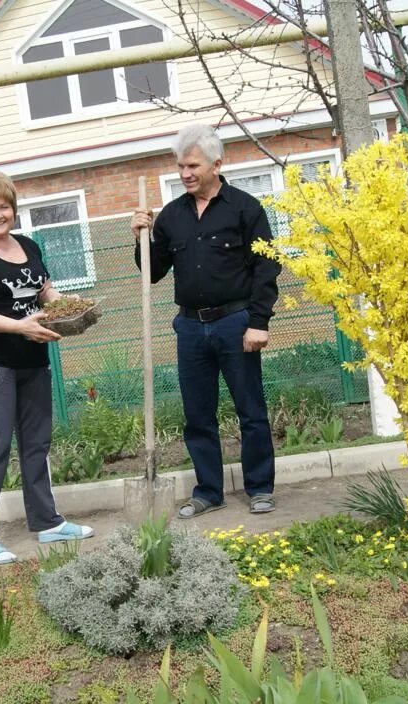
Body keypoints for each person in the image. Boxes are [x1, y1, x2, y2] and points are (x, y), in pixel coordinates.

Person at [131, 123, 280, 518]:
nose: (185, 174)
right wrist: (141, 238)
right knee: (197, 414)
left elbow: (267, 269)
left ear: (217, 163)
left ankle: (260, 488)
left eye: (193, 165)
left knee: (251, 410)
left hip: (236, 323)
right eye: (181, 166)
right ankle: (208, 491)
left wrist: (259, 321)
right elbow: (152, 272)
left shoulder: (246, 209)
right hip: (191, 328)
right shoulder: (171, 217)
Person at [0, 169, 93, 564]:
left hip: (33, 359)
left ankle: (47, 522)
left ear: (14, 209)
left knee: (37, 444)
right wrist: (19, 326)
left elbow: (46, 293)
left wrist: (71, 307)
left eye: (5, 206)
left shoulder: (28, 245)